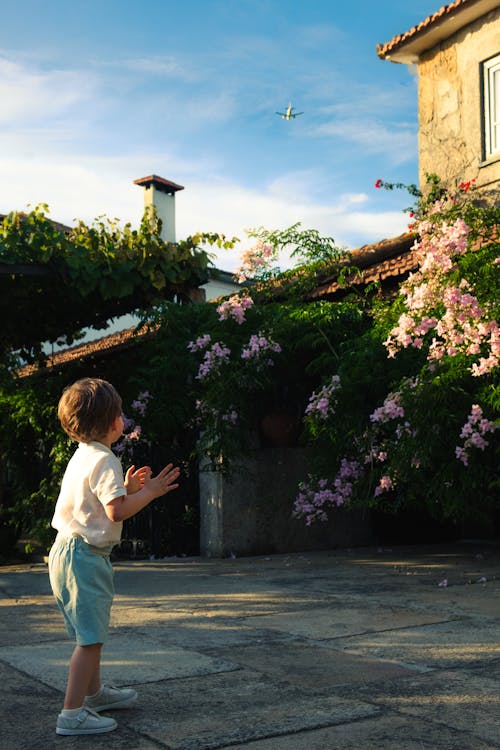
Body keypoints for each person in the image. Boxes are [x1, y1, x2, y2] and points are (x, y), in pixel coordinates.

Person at [48, 377, 180, 736]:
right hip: (85, 557)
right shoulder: (105, 459)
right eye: (120, 413)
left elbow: (101, 502)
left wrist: (130, 488)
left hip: (65, 552)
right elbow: (116, 512)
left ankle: (95, 695)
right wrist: (149, 492)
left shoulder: (84, 456)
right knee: (90, 639)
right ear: (111, 423)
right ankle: (71, 714)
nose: (123, 418)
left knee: (89, 631)